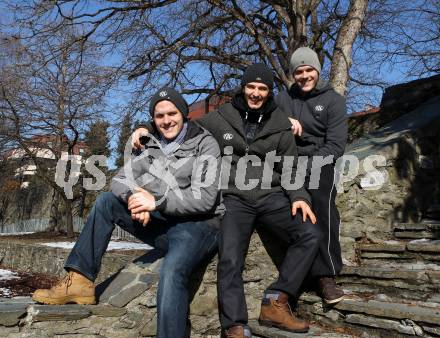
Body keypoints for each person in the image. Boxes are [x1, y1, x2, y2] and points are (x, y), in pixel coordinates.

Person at [133, 64, 321, 338]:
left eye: (262, 88)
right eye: (251, 87)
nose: (256, 93)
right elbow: (182, 125)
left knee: (310, 233)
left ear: (269, 92)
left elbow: (290, 168)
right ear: (243, 87)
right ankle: (234, 325)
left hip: (271, 197)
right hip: (233, 198)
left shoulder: (281, 123)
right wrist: (145, 127)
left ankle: (277, 300)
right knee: (230, 257)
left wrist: (300, 196)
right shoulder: (220, 117)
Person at [32, 87, 224, 338]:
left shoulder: (204, 143)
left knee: (172, 271)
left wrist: (155, 203)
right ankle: (79, 280)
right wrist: (136, 200)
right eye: (159, 116)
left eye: (172, 113)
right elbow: (119, 180)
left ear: (184, 113)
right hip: (165, 223)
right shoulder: (151, 145)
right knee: (106, 202)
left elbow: (205, 199)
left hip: (200, 227)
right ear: (153, 120)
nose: (166, 121)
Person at [275, 47, 348, 304]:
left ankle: (326, 275)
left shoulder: (334, 101)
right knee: (284, 209)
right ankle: (301, 270)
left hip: (320, 162)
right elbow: (264, 123)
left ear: (317, 70)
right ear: (293, 74)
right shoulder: (282, 100)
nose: (305, 76)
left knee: (320, 204)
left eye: (309, 70)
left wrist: (307, 166)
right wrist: (283, 122)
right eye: (299, 71)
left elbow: (337, 145)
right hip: (287, 161)